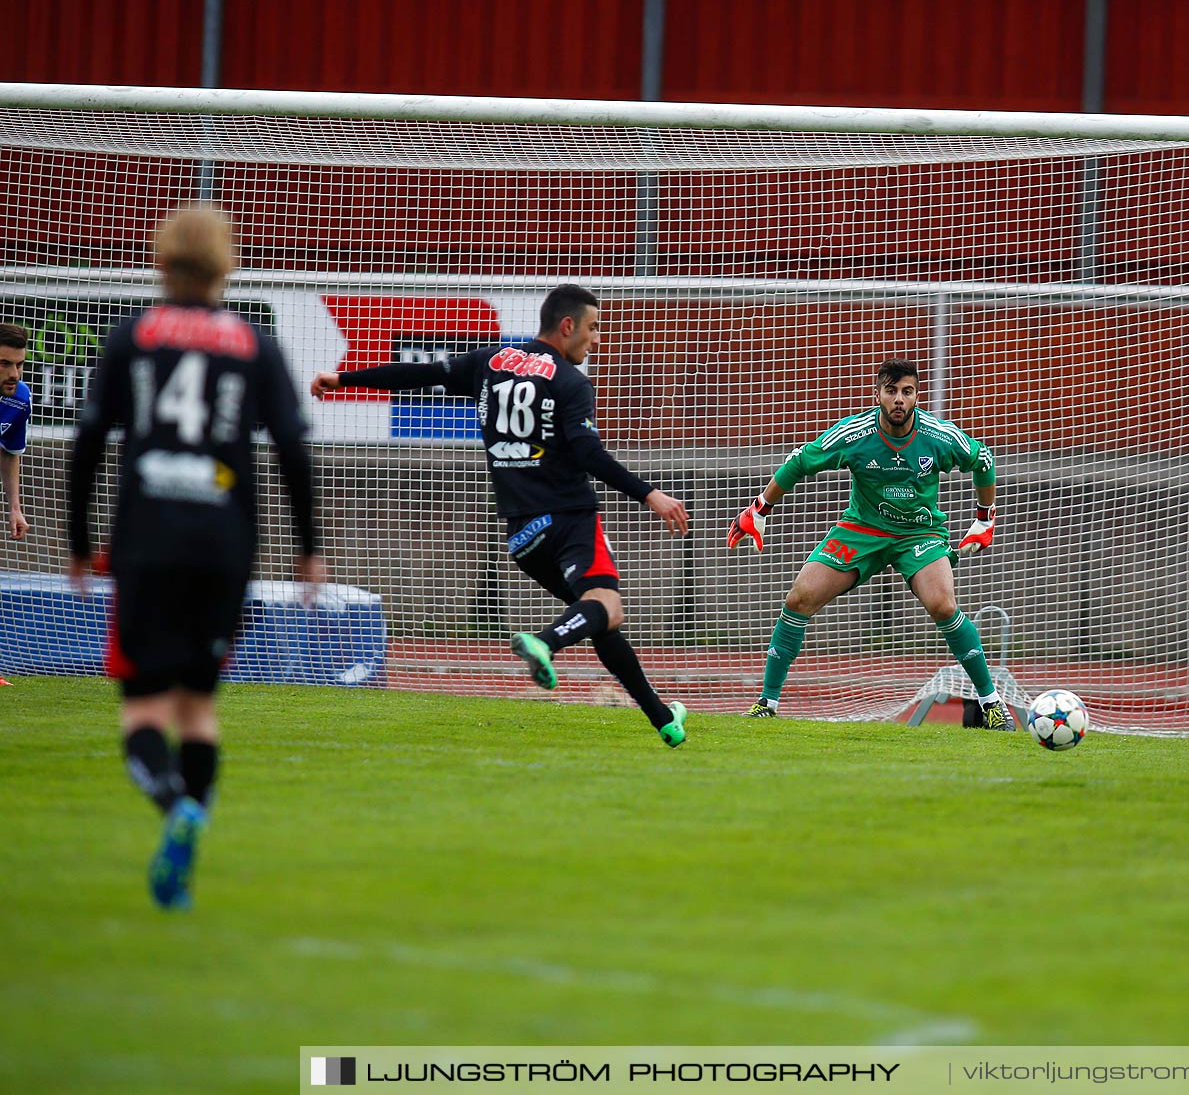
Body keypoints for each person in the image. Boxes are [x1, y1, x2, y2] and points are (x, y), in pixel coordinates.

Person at [67, 204, 324, 910]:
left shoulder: (133, 337)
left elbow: (88, 444)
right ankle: (190, 836)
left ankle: (174, 804)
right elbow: (295, 453)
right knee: (199, 710)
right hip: (223, 547)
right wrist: (310, 549)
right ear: (226, 262)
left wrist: (78, 542)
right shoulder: (254, 343)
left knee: (143, 712)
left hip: (145, 540)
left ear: (160, 260)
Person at [312, 284, 693, 746]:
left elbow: (419, 374)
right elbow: (588, 452)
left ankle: (663, 719)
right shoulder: (571, 383)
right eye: (592, 329)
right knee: (605, 607)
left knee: (596, 614)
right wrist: (649, 493)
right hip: (571, 517)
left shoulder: (489, 362)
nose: (595, 340)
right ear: (567, 325)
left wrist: (345, 380)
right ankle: (545, 643)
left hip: (523, 536)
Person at [728, 358, 1005, 727]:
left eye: (906, 392)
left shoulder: (939, 436)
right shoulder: (855, 434)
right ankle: (767, 703)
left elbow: (982, 459)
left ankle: (991, 704)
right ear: (878, 394)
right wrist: (760, 508)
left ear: (917, 396)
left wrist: (984, 520)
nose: (899, 400)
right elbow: (801, 461)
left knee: (942, 603)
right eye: (891, 391)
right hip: (862, 531)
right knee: (799, 597)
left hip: (918, 534)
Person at [0, 322, 30, 540]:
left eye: (19, 364)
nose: (14, 374)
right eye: (4, 364)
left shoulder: (19, 399)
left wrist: (15, 508)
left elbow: (9, 451)